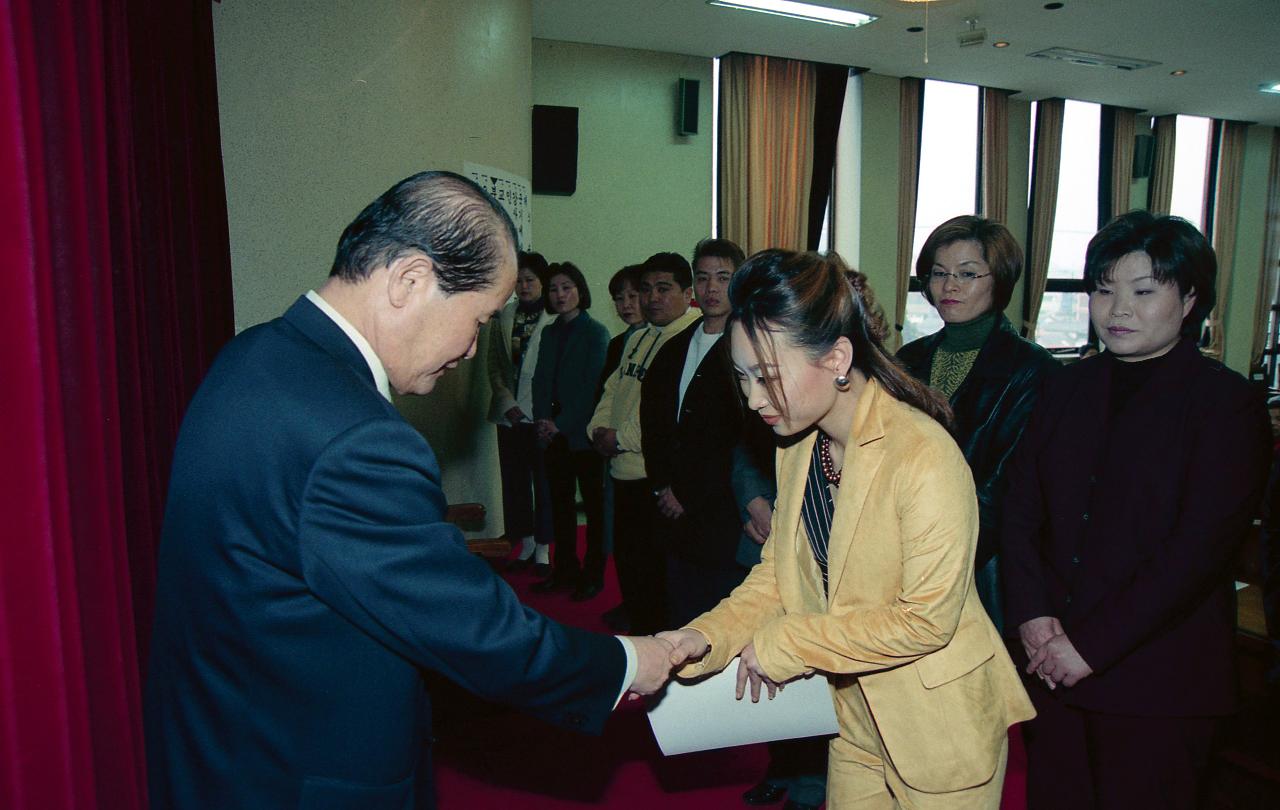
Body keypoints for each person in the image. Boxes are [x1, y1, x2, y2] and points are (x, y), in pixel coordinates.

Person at [144, 171, 675, 810]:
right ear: (409, 282)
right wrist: (624, 664)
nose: (471, 347)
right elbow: (471, 627)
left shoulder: (253, 355)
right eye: (478, 318)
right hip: (303, 771)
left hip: (226, 745)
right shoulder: (355, 436)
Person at [662, 249, 1034, 809]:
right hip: (853, 714)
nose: (754, 399)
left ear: (838, 357)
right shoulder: (800, 443)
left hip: (937, 726)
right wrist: (703, 638)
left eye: (766, 377)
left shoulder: (922, 454)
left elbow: (925, 621)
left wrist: (788, 642)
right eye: (742, 379)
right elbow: (779, 576)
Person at [1001, 211, 1272, 810]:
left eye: (1143, 291)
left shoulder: (1225, 404)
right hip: (1051, 665)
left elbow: (1197, 551)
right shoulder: (1066, 386)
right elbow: (1020, 509)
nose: (1117, 309)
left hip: (1160, 677)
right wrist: (1032, 615)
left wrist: (1088, 646)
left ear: (1190, 298)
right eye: (1103, 289)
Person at [897, 216, 1060, 633]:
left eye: (967, 274)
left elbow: (1006, 484)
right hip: (901, 548)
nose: (950, 286)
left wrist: (938, 556)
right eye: (939, 274)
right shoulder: (908, 359)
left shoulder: (1031, 368)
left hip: (982, 562)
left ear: (999, 280)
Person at [588, 252, 699, 634]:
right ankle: (638, 628)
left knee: (656, 571)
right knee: (628, 559)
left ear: (688, 293)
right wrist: (598, 428)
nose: (652, 298)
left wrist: (620, 438)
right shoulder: (640, 336)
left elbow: (668, 412)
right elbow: (614, 387)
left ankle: (655, 640)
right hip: (622, 468)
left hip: (653, 473)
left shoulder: (691, 337)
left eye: (663, 289)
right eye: (646, 289)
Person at [641, 237, 749, 626]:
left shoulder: (751, 349)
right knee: (681, 613)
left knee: (721, 618)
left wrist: (689, 493)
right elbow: (652, 424)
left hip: (723, 512)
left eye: (723, 277)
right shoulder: (674, 348)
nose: (712, 288)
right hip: (672, 511)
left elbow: (743, 438)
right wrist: (662, 487)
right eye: (702, 278)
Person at [531, 262, 610, 600]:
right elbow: (539, 381)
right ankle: (564, 570)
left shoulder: (596, 333)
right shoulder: (548, 333)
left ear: (580, 290)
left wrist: (560, 424)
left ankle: (592, 575)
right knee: (559, 507)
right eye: (553, 289)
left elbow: (592, 388)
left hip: (584, 437)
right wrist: (541, 421)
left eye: (567, 287)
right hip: (552, 438)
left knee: (593, 510)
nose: (560, 295)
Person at [488, 250, 556, 574]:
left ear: (542, 283)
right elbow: (495, 368)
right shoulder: (504, 316)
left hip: (540, 415)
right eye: (518, 281)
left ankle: (543, 548)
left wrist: (534, 409)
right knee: (514, 483)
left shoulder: (555, 318)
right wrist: (508, 405)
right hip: (509, 415)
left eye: (530, 280)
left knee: (543, 483)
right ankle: (525, 542)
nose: (524, 287)